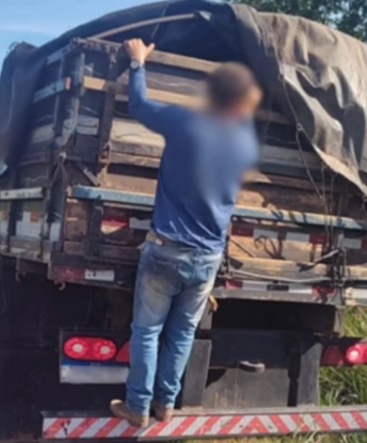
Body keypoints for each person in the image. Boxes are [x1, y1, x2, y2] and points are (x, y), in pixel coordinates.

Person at [110, 39, 262, 427]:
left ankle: (138, 408)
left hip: (167, 250)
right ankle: (166, 405)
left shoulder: (184, 123)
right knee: (182, 335)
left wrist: (138, 63)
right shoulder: (242, 144)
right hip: (208, 257)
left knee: (147, 331)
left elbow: (139, 105)